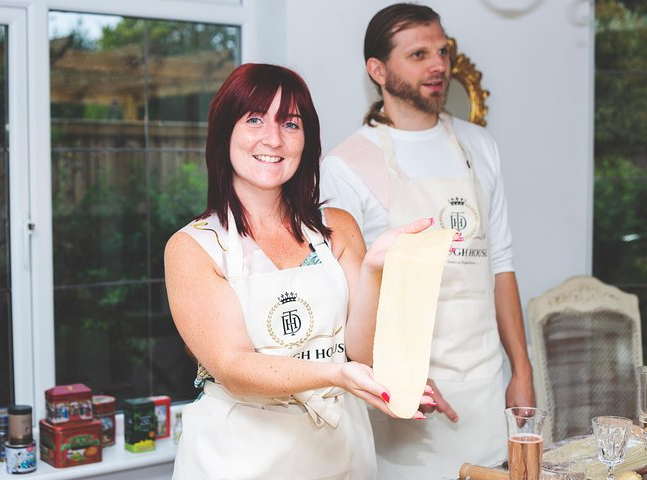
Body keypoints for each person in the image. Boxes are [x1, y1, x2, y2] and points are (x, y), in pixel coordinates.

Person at [163, 63, 445, 479]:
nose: (273, 139)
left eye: (290, 124)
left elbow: (363, 353)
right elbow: (234, 367)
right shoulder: (194, 247)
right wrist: (336, 373)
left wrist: (372, 270)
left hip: (341, 452)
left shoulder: (336, 228)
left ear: (306, 140)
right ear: (225, 133)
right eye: (255, 119)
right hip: (239, 457)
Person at [320, 4, 536, 478]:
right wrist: (401, 378)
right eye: (418, 54)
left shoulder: (480, 147)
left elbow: (500, 264)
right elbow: (347, 298)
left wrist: (521, 371)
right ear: (378, 70)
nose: (439, 65)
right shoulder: (346, 165)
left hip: (484, 388)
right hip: (407, 404)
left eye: (442, 51)